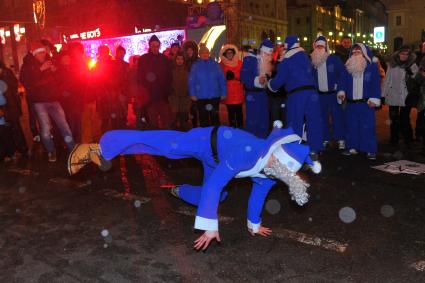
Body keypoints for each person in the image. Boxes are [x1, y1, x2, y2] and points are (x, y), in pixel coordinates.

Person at [68, 124, 322, 250]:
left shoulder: (270, 174)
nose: (279, 166)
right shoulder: (249, 152)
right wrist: (210, 226)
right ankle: (101, 147)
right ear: (275, 152)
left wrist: (254, 225)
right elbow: (215, 182)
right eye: (279, 161)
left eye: (284, 168)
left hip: (218, 159)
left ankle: (178, 190)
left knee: (218, 195)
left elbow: (257, 195)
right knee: (164, 145)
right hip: (206, 141)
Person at [268, 36, 324, 159]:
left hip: (297, 94)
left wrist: (270, 84)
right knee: (313, 121)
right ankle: (315, 149)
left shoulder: (287, 60)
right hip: (312, 93)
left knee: (295, 121)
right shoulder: (305, 57)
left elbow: (279, 80)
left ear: (287, 46)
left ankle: (294, 151)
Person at [23, 42, 75, 162]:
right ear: (35, 54)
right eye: (39, 52)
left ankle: (72, 148)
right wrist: (40, 69)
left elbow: (60, 80)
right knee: (45, 128)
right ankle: (51, 151)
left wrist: (55, 71)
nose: (42, 54)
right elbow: (26, 81)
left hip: (54, 99)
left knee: (64, 125)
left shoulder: (50, 61)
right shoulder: (28, 65)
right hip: (39, 101)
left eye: (43, 52)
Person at [337, 43, 382, 160]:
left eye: (358, 52)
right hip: (351, 103)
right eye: (354, 52)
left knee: (367, 127)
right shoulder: (348, 67)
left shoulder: (371, 67)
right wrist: (341, 92)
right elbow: (342, 81)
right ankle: (351, 146)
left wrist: (375, 98)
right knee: (351, 126)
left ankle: (370, 149)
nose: (355, 54)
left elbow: (375, 84)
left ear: (364, 53)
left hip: (366, 103)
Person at [310, 36, 346, 150]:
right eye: (317, 46)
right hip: (320, 96)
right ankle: (325, 138)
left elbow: (342, 75)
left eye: (321, 46)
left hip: (333, 94)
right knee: (322, 118)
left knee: (338, 117)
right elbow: (310, 78)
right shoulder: (313, 62)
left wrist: (340, 89)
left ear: (326, 47)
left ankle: (340, 139)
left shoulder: (334, 59)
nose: (319, 48)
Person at [382, 45, 418, 146]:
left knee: (404, 118)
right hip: (393, 94)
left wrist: (412, 74)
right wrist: (383, 94)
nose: (404, 56)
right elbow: (387, 80)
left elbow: (417, 80)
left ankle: (408, 139)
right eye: (403, 53)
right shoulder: (392, 64)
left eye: (407, 54)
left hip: (405, 96)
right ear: (398, 53)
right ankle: (394, 138)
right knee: (393, 118)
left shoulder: (412, 65)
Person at [137, 35, 173, 129]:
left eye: (157, 46)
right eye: (153, 46)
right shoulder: (143, 59)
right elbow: (140, 78)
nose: (155, 48)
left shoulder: (164, 59)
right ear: (149, 46)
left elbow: (169, 77)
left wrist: (168, 92)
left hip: (162, 96)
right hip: (150, 97)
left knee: (166, 121)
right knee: (153, 123)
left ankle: (165, 141)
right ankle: (154, 141)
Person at [240, 40, 274, 138]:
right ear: (262, 51)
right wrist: (257, 80)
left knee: (264, 119)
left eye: (269, 54)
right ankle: (251, 143)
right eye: (267, 53)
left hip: (263, 94)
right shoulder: (250, 59)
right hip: (252, 95)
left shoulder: (266, 61)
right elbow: (243, 76)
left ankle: (262, 141)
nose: (268, 56)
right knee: (253, 120)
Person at [188, 44, 226, 127]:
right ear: (199, 54)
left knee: (215, 117)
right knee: (203, 118)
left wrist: (223, 92)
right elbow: (191, 81)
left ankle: (215, 135)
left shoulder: (215, 65)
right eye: (202, 53)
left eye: (207, 52)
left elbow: (221, 79)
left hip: (214, 96)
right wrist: (192, 94)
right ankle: (205, 136)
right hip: (201, 97)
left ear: (209, 54)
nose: (205, 54)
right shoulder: (195, 66)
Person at [0, 60, 28, 157]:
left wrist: (2, 76)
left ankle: (23, 149)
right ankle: (10, 151)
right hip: (3, 107)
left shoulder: (6, 72)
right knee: (4, 130)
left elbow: (14, 84)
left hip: (11, 106)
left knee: (16, 128)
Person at [219, 44, 244, 128]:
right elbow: (218, 78)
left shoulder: (240, 63)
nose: (229, 54)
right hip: (228, 93)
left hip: (238, 92)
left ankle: (240, 130)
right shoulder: (221, 65)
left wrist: (235, 76)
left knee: (239, 113)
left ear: (234, 53)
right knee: (231, 114)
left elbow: (244, 76)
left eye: (231, 52)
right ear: (225, 54)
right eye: (227, 53)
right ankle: (233, 130)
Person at [168, 51, 191, 130]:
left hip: (185, 99)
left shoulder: (188, 70)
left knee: (184, 119)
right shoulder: (171, 70)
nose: (180, 61)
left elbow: (190, 83)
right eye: (178, 59)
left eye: (182, 59)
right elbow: (168, 82)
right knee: (173, 119)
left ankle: (184, 137)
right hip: (174, 98)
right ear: (175, 60)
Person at [267, 44, 287, 129]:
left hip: (285, 96)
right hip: (275, 96)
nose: (283, 52)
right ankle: (275, 138)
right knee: (275, 119)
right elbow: (270, 79)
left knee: (284, 118)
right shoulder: (274, 64)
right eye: (282, 50)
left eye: (285, 50)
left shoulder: (288, 64)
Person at [183, 40, 199, 128]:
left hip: (196, 89)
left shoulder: (198, 61)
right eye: (188, 50)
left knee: (195, 109)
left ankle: (196, 126)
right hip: (186, 89)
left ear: (194, 51)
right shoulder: (183, 61)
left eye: (191, 50)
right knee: (187, 109)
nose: (189, 52)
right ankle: (190, 126)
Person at [0, 80, 16, 162]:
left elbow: (6, 99)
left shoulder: (2, 83)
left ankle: (9, 153)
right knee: (4, 135)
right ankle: (7, 154)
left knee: (5, 135)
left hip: (2, 116)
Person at [114, 45, 130, 128]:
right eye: (120, 53)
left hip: (123, 92)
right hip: (114, 93)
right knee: (116, 115)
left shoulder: (127, 65)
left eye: (123, 53)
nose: (121, 55)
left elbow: (129, 80)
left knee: (123, 114)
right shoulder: (112, 65)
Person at [414, 57, 425, 153]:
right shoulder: (421, 68)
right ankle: (419, 136)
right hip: (423, 99)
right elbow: (416, 80)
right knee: (421, 119)